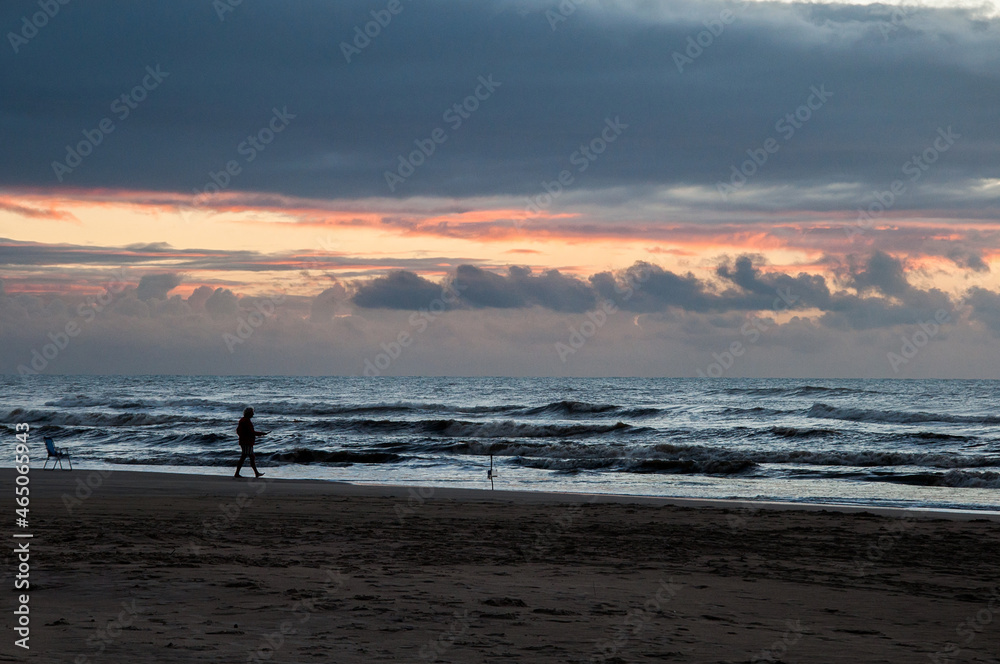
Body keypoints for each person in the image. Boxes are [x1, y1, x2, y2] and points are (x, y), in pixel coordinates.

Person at [235, 407, 267, 478]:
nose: (253, 414)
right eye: (252, 412)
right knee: (246, 457)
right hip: (246, 442)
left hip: (245, 441)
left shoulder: (243, 420)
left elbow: (238, 431)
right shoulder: (246, 421)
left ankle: (256, 473)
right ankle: (238, 473)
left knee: (248, 457)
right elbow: (251, 432)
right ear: (249, 413)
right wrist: (261, 433)